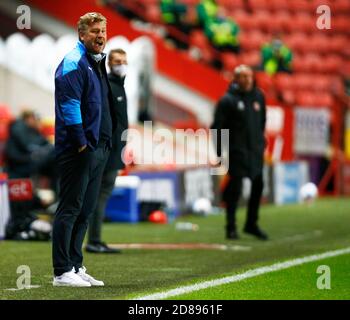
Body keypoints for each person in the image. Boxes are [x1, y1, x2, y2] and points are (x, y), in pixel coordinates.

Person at [52, 12, 118, 287]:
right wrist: (80, 141)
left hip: (98, 148)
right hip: (79, 148)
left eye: (102, 31)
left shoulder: (97, 63)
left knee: (86, 209)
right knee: (70, 208)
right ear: (81, 34)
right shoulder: (73, 62)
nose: (100, 36)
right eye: (94, 32)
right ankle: (61, 271)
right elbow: (70, 105)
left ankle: (76, 265)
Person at [211, 65, 268, 240]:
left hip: (255, 151)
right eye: (242, 76)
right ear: (235, 79)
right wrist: (220, 154)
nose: (247, 79)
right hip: (237, 151)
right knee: (235, 189)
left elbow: (262, 121)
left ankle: (251, 223)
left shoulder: (258, 96)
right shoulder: (227, 101)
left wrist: (261, 141)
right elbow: (217, 129)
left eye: (249, 76)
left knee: (258, 186)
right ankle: (231, 226)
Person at [86, 48, 129, 254]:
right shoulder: (110, 86)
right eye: (117, 61)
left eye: (124, 61)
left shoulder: (118, 86)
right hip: (107, 150)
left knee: (100, 195)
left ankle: (95, 239)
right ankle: (93, 240)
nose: (121, 64)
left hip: (115, 150)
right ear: (109, 63)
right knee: (98, 195)